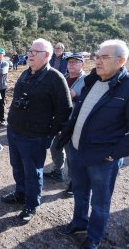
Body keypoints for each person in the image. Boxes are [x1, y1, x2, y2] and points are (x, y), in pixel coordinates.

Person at [57, 40, 129, 249]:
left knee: (99, 202)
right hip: (77, 150)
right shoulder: (92, 80)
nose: (98, 60)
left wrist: (113, 154)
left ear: (121, 60)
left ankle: (93, 238)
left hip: (103, 159)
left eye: (105, 57)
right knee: (79, 192)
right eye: (97, 56)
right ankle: (79, 223)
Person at [3, 38, 72, 222]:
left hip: (35, 137)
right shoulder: (25, 73)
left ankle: (31, 204)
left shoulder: (55, 78)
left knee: (33, 172)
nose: (30, 54)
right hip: (15, 132)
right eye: (30, 51)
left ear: (47, 56)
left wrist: (49, 132)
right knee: (17, 166)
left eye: (35, 52)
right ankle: (20, 194)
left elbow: (64, 110)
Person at [44, 53, 86, 196]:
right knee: (56, 147)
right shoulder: (64, 77)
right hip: (59, 120)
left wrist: (76, 96)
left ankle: (74, 183)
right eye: (69, 62)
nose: (71, 64)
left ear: (82, 64)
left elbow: (89, 103)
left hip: (73, 122)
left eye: (75, 62)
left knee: (71, 153)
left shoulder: (86, 81)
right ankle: (58, 171)